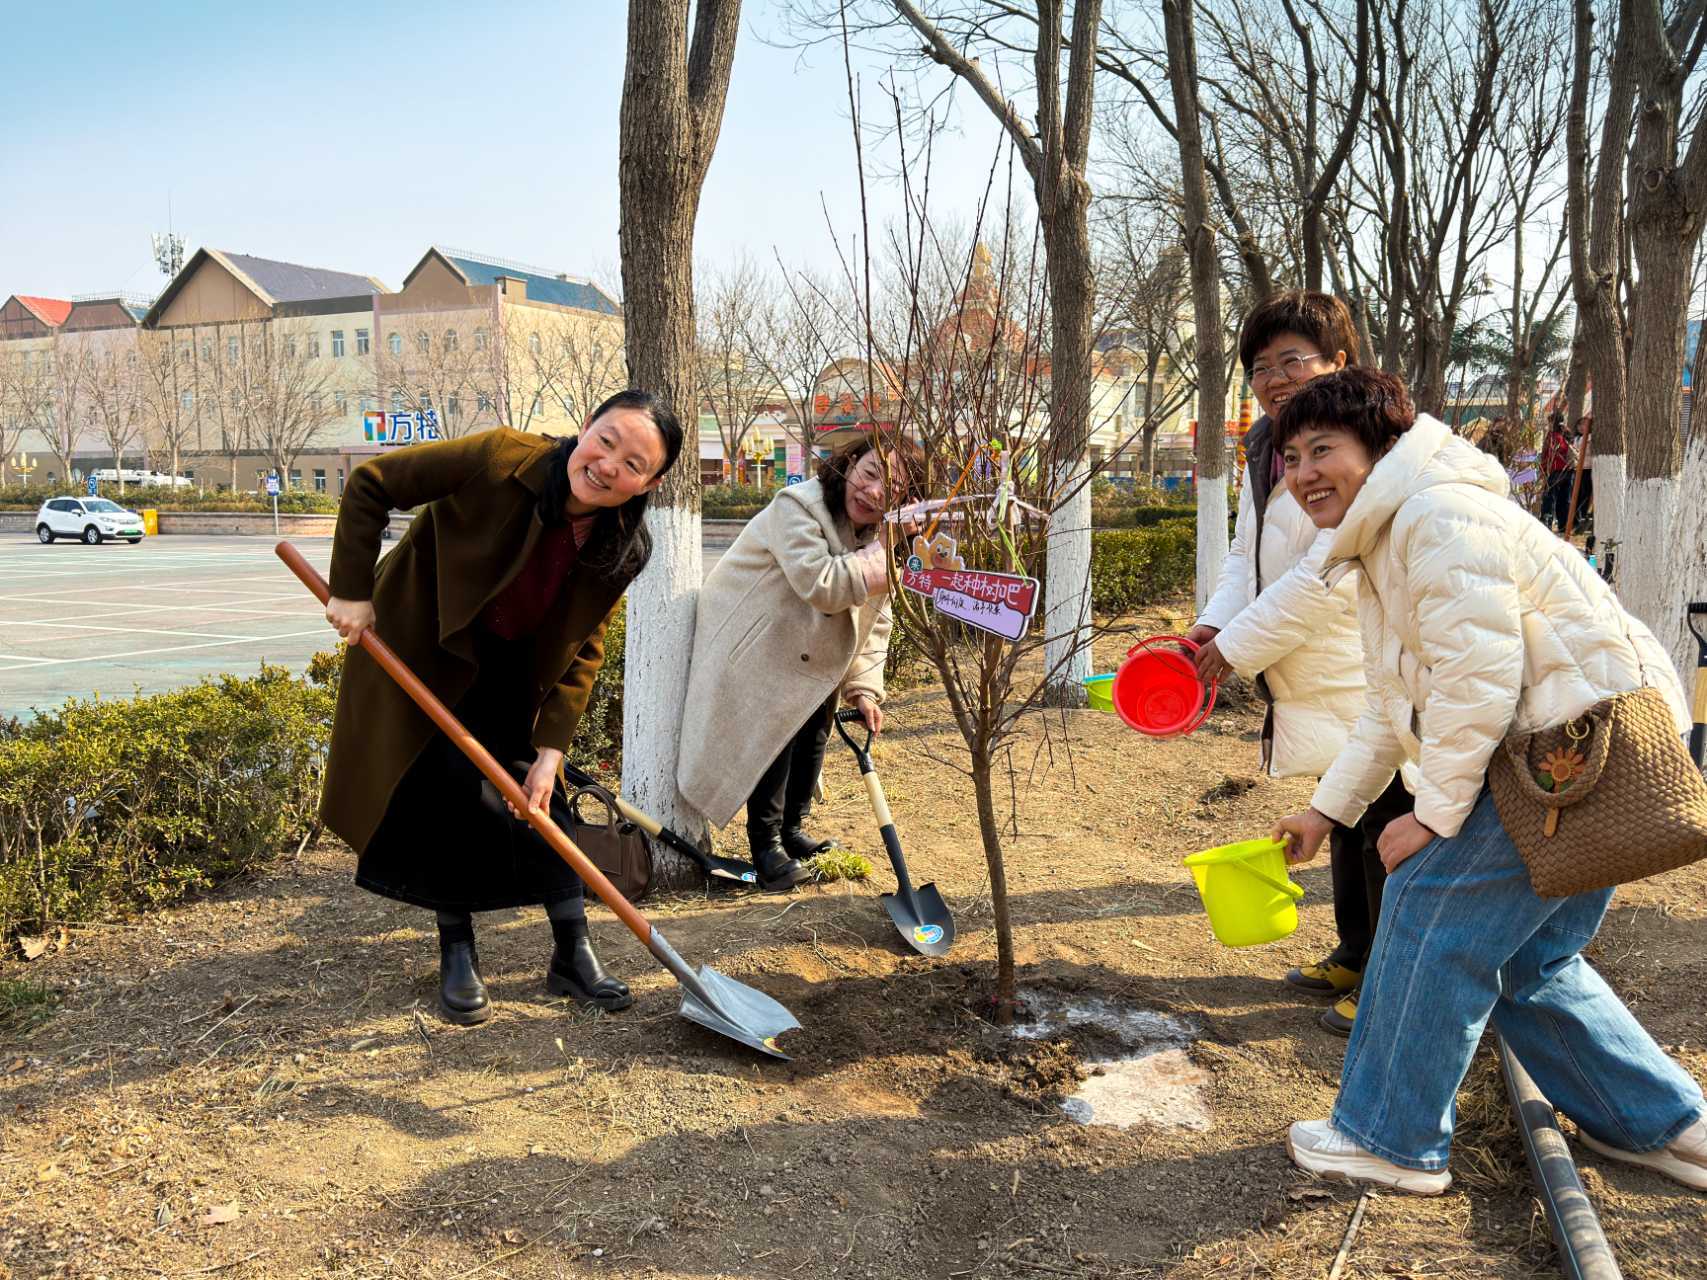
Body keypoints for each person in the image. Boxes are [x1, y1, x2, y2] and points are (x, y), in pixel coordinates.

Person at [1270, 367, 1705, 1195]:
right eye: (1290, 457)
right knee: (1527, 961)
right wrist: (1327, 811)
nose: (1303, 474)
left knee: (1430, 906)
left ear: (1382, 448)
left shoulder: (1433, 517)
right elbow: (1389, 706)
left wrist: (1430, 821)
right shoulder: (1389, 538)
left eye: (1323, 449)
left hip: (1570, 751)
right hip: (1575, 744)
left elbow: (1480, 678)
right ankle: (1666, 1126)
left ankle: (1389, 1140)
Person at [320, 391, 683, 1026]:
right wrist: (352, 590)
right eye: (606, 441)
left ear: (647, 484)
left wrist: (552, 752)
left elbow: (585, 642)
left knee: (545, 799)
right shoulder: (498, 457)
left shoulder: (623, 544)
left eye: (632, 464)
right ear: (584, 428)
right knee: (446, 793)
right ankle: (457, 951)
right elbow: (373, 484)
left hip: (515, 670)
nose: (606, 466)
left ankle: (573, 952)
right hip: (428, 645)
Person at [1188, 291, 1411, 1035]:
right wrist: (1209, 625)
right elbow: (1244, 558)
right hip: (1307, 673)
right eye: (1259, 366)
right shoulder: (1269, 449)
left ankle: (1387, 975)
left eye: (1291, 360)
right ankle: (1355, 949)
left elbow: (1320, 579)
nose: (1273, 378)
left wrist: (1231, 649)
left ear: (1338, 362)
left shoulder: (1355, 453)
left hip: (1355, 663)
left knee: (1384, 819)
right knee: (1343, 815)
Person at [679, 435, 924, 891]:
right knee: (777, 733)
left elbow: (876, 615)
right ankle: (765, 844)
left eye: (892, 492)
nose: (874, 493)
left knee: (815, 730)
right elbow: (825, 583)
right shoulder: (796, 507)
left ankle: (792, 830)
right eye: (871, 475)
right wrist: (884, 547)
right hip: (754, 646)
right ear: (850, 464)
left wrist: (864, 688)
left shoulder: (871, 535)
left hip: (804, 650)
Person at [1540, 411, 1574, 531]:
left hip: (1556, 470)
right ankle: (1564, 525)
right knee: (1564, 499)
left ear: (1552, 422)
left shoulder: (1553, 436)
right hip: (1568, 470)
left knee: (1549, 497)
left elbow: (1548, 454)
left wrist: (1543, 469)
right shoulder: (1567, 433)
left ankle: (1546, 522)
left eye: (1549, 421)